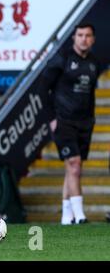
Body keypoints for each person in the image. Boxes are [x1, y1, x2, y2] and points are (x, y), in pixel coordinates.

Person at [40, 23, 105, 225]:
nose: (83, 39)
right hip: (63, 120)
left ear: (93, 39)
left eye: (87, 35)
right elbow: (43, 88)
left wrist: (92, 117)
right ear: (74, 37)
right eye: (80, 35)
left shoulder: (95, 62)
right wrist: (51, 118)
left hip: (85, 122)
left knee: (73, 168)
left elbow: (91, 92)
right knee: (74, 165)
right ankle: (80, 215)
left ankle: (66, 215)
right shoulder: (62, 58)